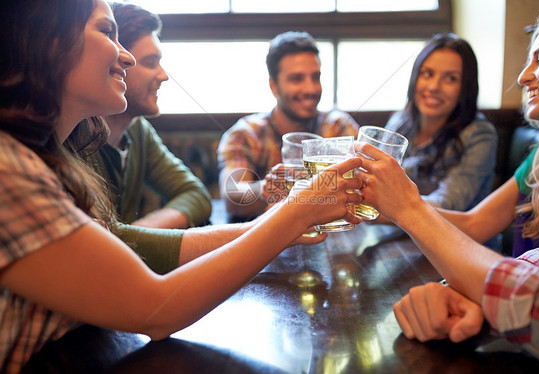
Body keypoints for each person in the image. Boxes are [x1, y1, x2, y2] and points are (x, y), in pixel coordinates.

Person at [0, 1, 364, 372]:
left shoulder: (54, 155)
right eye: (107, 33)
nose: (125, 56)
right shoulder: (10, 169)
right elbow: (154, 307)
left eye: (315, 77)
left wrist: (276, 225)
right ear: (50, 42)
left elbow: (136, 236)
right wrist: (293, 212)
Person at [355, 10, 539, 362]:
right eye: (427, 74)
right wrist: (464, 295)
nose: (523, 76)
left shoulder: (477, 132)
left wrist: (403, 207)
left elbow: (463, 212)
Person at [87, 2, 212, 229]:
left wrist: (139, 232)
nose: (163, 76)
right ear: (117, 61)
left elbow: (195, 193)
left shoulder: (137, 129)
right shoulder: (75, 136)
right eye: (151, 62)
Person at [217, 31, 360, 222]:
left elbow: (363, 187)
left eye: (316, 77)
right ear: (274, 86)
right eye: (297, 79)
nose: (311, 89)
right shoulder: (247, 133)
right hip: (267, 243)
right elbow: (232, 195)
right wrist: (266, 188)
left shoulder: (338, 127)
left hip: (333, 237)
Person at [384, 33, 498, 212]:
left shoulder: (479, 134)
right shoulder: (400, 121)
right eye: (427, 74)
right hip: (396, 232)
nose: (434, 87)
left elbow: (448, 203)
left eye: (450, 78)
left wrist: (385, 206)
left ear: (465, 87)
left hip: (453, 237)